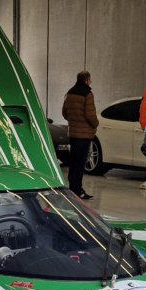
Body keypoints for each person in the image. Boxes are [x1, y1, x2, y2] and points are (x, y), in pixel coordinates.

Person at [62, 70, 98, 200]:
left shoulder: (69, 93)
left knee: (73, 162)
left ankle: (72, 188)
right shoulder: (87, 94)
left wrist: (74, 121)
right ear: (87, 80)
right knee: (80, 163)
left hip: (73, 133)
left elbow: (65, 113)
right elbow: (90, 115)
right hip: (84, 134)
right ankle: (78, 190)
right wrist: (95, 123)